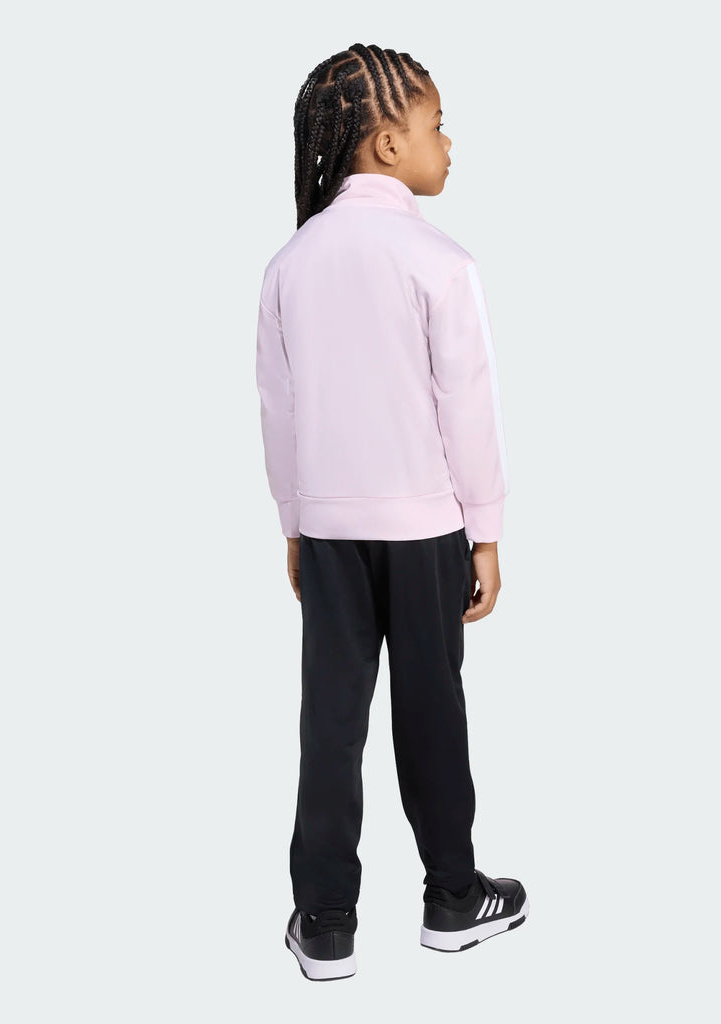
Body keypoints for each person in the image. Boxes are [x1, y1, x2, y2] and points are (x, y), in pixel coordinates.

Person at [255, 43, 528, 982]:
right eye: (436, 126)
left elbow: (280, 409)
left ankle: (324, 920)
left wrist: (295, 522)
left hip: (331, 535)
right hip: (426, 533)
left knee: (330, 722)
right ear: (385, 144)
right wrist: (485, 532)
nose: (449, 144)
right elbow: (469, 409)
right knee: (431, 713)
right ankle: (453, 897)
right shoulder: (440, 261)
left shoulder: (290, 263)